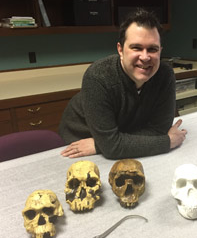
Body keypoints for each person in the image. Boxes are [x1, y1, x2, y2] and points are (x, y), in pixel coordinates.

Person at [59, 9, 187, 160]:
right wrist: (168, 141)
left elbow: (159, 129)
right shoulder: (98, 77)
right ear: (120, 49)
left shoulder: (165, 74)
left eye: (152, 49)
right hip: (79, 144)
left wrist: (105, 144)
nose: (145, 57)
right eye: (136, 48)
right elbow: (112, 148)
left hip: (103, 144)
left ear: (160, 51)